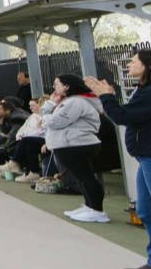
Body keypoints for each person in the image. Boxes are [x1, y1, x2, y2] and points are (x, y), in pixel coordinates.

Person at [89, 48, 151, 269]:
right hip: (150, 158)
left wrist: (106, 96)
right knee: (148, 211)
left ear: (149, 65)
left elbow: (123, 116)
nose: (128, 65)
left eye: (134, 61)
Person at [42, 74, 109, 224]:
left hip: (76, 144)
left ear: (66, 86)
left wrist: (47, 110)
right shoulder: (72, 101)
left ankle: (97, 210)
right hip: (71, 143)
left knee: (86, 177)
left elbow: (55, 122)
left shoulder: (76, 102)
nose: (54, 87)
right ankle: (89, 206)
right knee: (82, 177)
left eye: (56, 84)